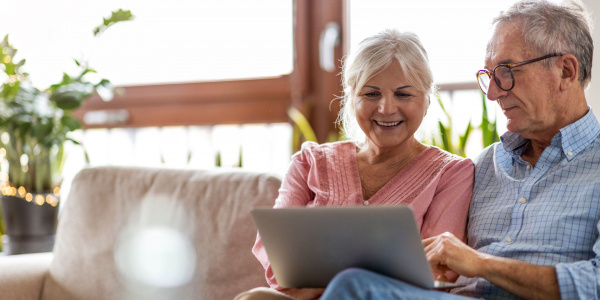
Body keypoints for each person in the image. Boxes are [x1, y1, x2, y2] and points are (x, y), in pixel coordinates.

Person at [319, 0, 598, 299]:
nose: (492, 93)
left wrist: (481, 264)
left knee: (355, 287)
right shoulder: (485, 165)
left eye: (505, 71)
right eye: (488, 75)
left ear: (566, 71)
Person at [242, 29, 475, 300]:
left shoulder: (451, 173)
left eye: (403, 95)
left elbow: (438, 271)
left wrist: (326, 283)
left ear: (427, 100)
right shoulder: (309, 162)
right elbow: (277, 258)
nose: (387, 108)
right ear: (351, 99)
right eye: (371, 94)